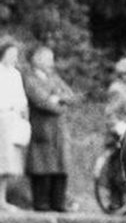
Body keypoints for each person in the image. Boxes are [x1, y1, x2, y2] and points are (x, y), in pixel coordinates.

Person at [23, 44, 77, 213]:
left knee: (61, 165)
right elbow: (41, 101)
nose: (51, 63)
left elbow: (70, 96)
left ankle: (58, 203)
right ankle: (41, 203)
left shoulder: (54, 77)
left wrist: (57, 99)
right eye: (48, 59)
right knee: (41, 165)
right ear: (36, 60)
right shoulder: (30, 78)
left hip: (59, 129)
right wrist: (57, 101)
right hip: (42, 127)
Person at [0, 39, 31, 211]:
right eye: (10, 54)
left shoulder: (15, 74)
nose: (13, 57)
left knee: (7, 163)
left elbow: (21, 98)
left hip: (12, 119)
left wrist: (24, 115)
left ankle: (2, 200)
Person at [104, 56, 126, 141]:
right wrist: (123, 131)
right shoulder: (117, 90)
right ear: (125, 75)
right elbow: (110, 117)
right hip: (118, 143)